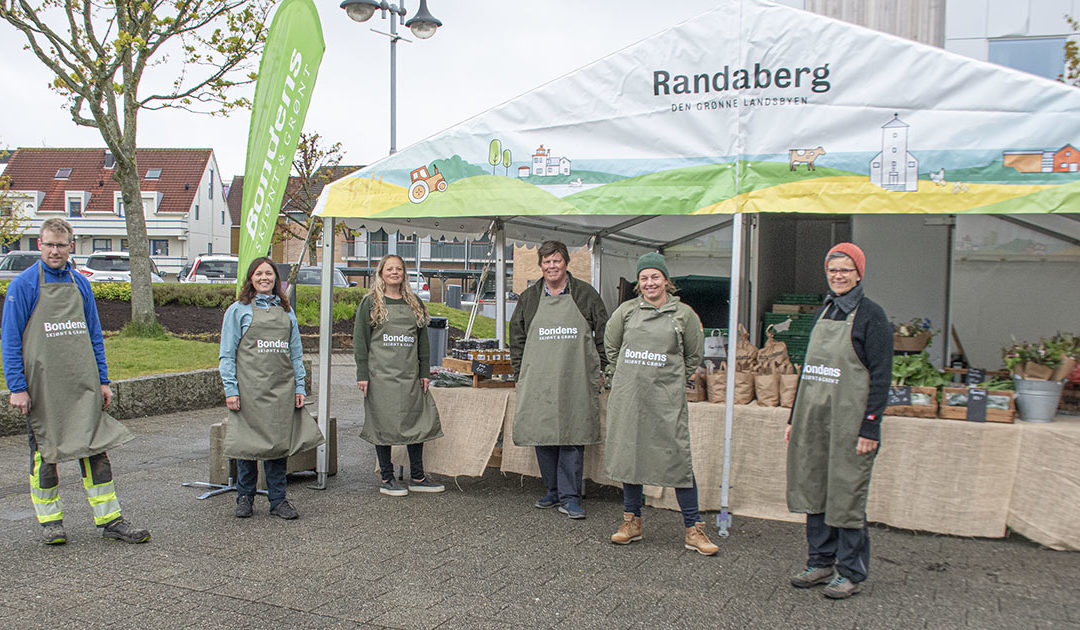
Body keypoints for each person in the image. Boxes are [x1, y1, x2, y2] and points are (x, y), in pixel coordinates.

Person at [1, 218, 150, 544]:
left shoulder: (80, 284)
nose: (55, 251)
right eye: (49, 245)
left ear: (71, 246)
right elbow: (10, 340)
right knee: (45, 455)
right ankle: (51, 523)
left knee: (95, 450)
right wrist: (17, 387)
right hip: (42, 390)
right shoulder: (22, 287)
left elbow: (94, 335)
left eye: (61, 245)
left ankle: (110, 519)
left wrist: (103, 381)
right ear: (39, 245)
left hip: (82, 385)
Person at [785, 242, 892, 599]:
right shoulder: (824, 311)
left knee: (846, 494)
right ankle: (820, 562)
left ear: (859, 273)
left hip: (850, 423)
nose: (838, 276)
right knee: (813, 488)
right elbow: (808, 371)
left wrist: (870, 426)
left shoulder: (871, 316)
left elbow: (880, 376)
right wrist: (793, 417)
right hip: (814, 420)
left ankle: (850, 571)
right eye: (833, 270)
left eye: (845, 269)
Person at [604, 252, 718, 555]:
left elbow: (693, 355)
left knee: (676, 457)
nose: (650, 282)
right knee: (631, 455)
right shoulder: (626, 312)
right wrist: (625, 375)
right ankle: (632, 522)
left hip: (666, 399)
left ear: (666, 281)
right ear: (638, 284)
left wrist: (669, 377)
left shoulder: (684, 315)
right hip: (631, 397)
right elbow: (611, 346)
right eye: (644, 278)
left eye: (655, 277)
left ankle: (693, 529)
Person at [508, 241, 608, 519]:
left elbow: (603, 334)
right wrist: (519, 373)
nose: (552, 266)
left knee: (572, 433)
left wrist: (602, 370)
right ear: (540, 265)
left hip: (575, 375)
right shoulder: (529, 298)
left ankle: (570, 496)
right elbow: (516, 338)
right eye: (547, 261)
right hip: (539, 377)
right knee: (544, 433)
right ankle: (551, 491)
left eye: (557, 261)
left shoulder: (586, 295)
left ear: (566, 263)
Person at [219, 257, 324, 519]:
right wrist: (231, 390)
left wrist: (300, 387)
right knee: (248, 445)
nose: (264, 277)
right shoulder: (238, 310)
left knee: (278, 446)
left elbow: (296, 354)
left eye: (269, 273)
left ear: (276, 278)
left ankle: (278, 500)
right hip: (249, 391)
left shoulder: (286, 311)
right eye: (258, 273)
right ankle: (245, 497)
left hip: (281, 390)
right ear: (250, 279)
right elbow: (226, 355)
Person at [354, 254, 444, 496]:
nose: (395, 273)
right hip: (380, 377)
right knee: (382, 424)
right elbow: (360, 341)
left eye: (399, 269)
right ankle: (387, 478)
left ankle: (417, 477)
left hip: (410, 376)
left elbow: (422, 341)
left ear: (404, 274)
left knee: (416, 422)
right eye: (390, 269)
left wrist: (424, 371)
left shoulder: (414, 302)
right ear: (381, 273)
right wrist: (362, 373)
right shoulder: (370, 303)